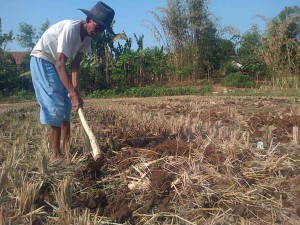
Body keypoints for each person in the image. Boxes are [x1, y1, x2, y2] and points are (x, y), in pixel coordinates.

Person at [30, 1, 115, 164]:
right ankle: (55, 155)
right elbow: (60, 63)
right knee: (56, 105)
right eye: (97, 27)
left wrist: (75, 92)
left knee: (67, 105)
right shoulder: (71, 28)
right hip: (43, 59)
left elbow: (76, 66)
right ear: (88, 20)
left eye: (102, 30)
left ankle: (66, 149)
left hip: (56, 64)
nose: (98, 32)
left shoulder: (88, 38)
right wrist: (72, 93)